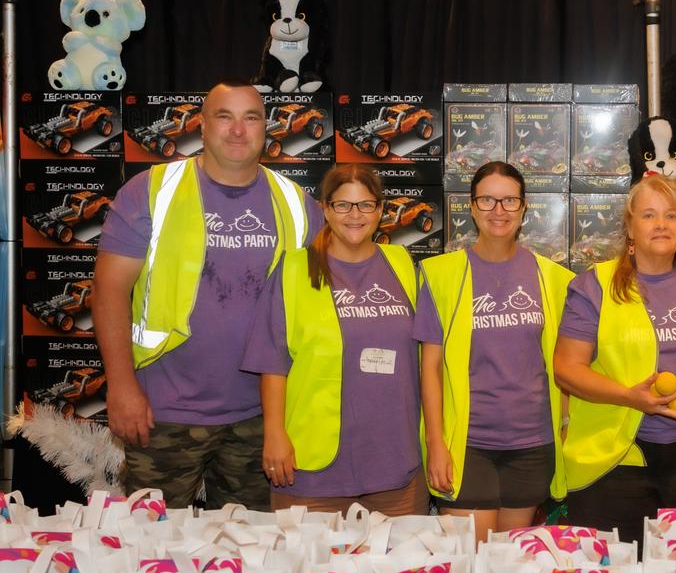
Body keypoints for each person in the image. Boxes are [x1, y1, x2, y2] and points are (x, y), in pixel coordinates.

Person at [93, 81, 322, 510]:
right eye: (224, 116)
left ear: (266, 129)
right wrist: (121, 386)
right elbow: (109, 292)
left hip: (263, 418)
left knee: (251, 552)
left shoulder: (296, 203)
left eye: (250, 117)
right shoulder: (151, 191)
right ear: (201, 126)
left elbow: (322, 307)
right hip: (164, 414)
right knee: (151, 547)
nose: (238, 130)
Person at [554, 175, 676, 543]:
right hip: (614, 464)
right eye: (649, 215)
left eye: (671, 216)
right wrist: (631, 397)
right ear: (630, 227)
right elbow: (566, 369)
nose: (660, 225)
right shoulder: (594, 286)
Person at [241, 165, 426, 515]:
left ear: (381, 210)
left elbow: (424, 359)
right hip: (313, 467)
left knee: (398, 569)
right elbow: (272, 363)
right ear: (325, 209)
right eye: (343, 205)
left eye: (365, 205)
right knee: (312, 570)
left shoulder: (402, 263)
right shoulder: (295, 268)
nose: (354, 215)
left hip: (394, 460)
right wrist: (274, 434)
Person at [415, 161, 575, 541]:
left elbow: (562, 365)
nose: (498, 211)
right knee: (470, 562)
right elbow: (431, 369)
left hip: (532, 442)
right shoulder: (440, 275)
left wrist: (566, 429)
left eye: (508, 201)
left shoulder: (554, 278)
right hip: (468, 444)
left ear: (523, 209)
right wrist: (435, 444)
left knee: (509, 561)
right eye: (487, 200)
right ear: (471, 207)